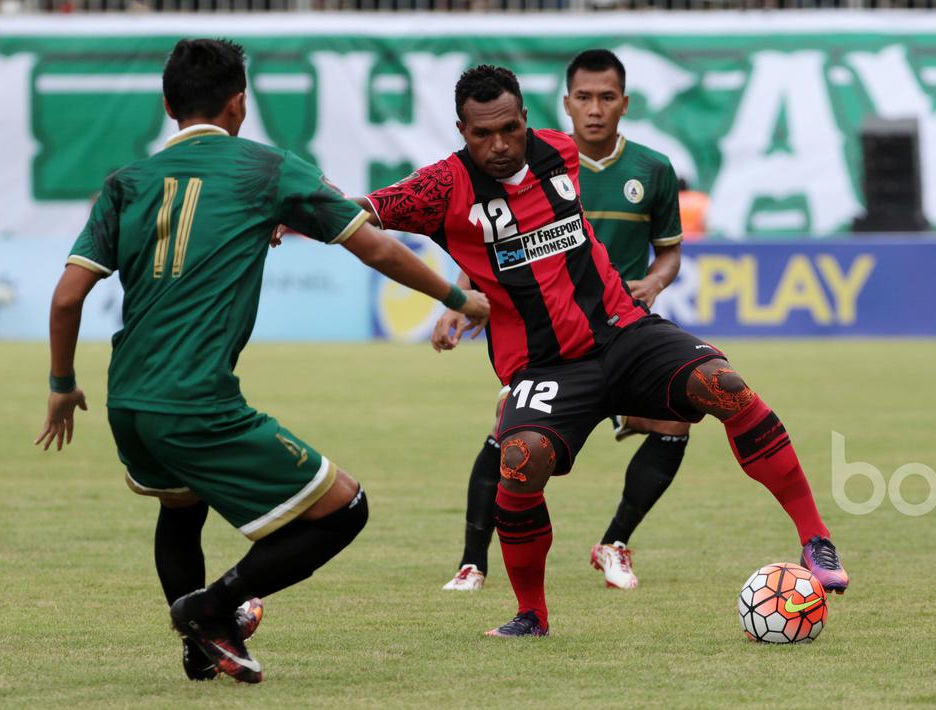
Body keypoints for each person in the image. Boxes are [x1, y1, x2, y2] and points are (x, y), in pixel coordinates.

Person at [33, 38, 488, 683]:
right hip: (198, 402)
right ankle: (212, 608)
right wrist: (458, 297)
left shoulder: (125, 183)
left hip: (128, 400)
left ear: (168, 105)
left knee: (179, 510)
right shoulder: (266, 169)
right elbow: (379, 251)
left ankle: (203, 650)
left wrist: (59, 386)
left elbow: (66, 299)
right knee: (345, 509)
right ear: (240, 103)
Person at [356, 64, 848, 638]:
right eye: (482, 134)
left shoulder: (560, 153)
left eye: (510, 128)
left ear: (527, 120)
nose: (499, 144)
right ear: (461, 130)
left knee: (726, 386)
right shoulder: (441, 187)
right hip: (545, 367)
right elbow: (360, 210)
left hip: (624, 334)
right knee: (519, 460)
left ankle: (816, 538)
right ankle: (531, 615)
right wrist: (290, 220)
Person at [432, 49, 687, 593]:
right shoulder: (528, 161)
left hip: (622, 330)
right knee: (509, 434)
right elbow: (493, 244)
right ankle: (473, 562)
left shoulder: (653, 169)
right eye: (584, 98)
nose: (595, 109)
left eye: (607, 97)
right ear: (565, 103)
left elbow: (668, 252)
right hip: (545, 338)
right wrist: (460, 299)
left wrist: (656, 282)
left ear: (625, 103)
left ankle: (614, 542)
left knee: (676, 421)